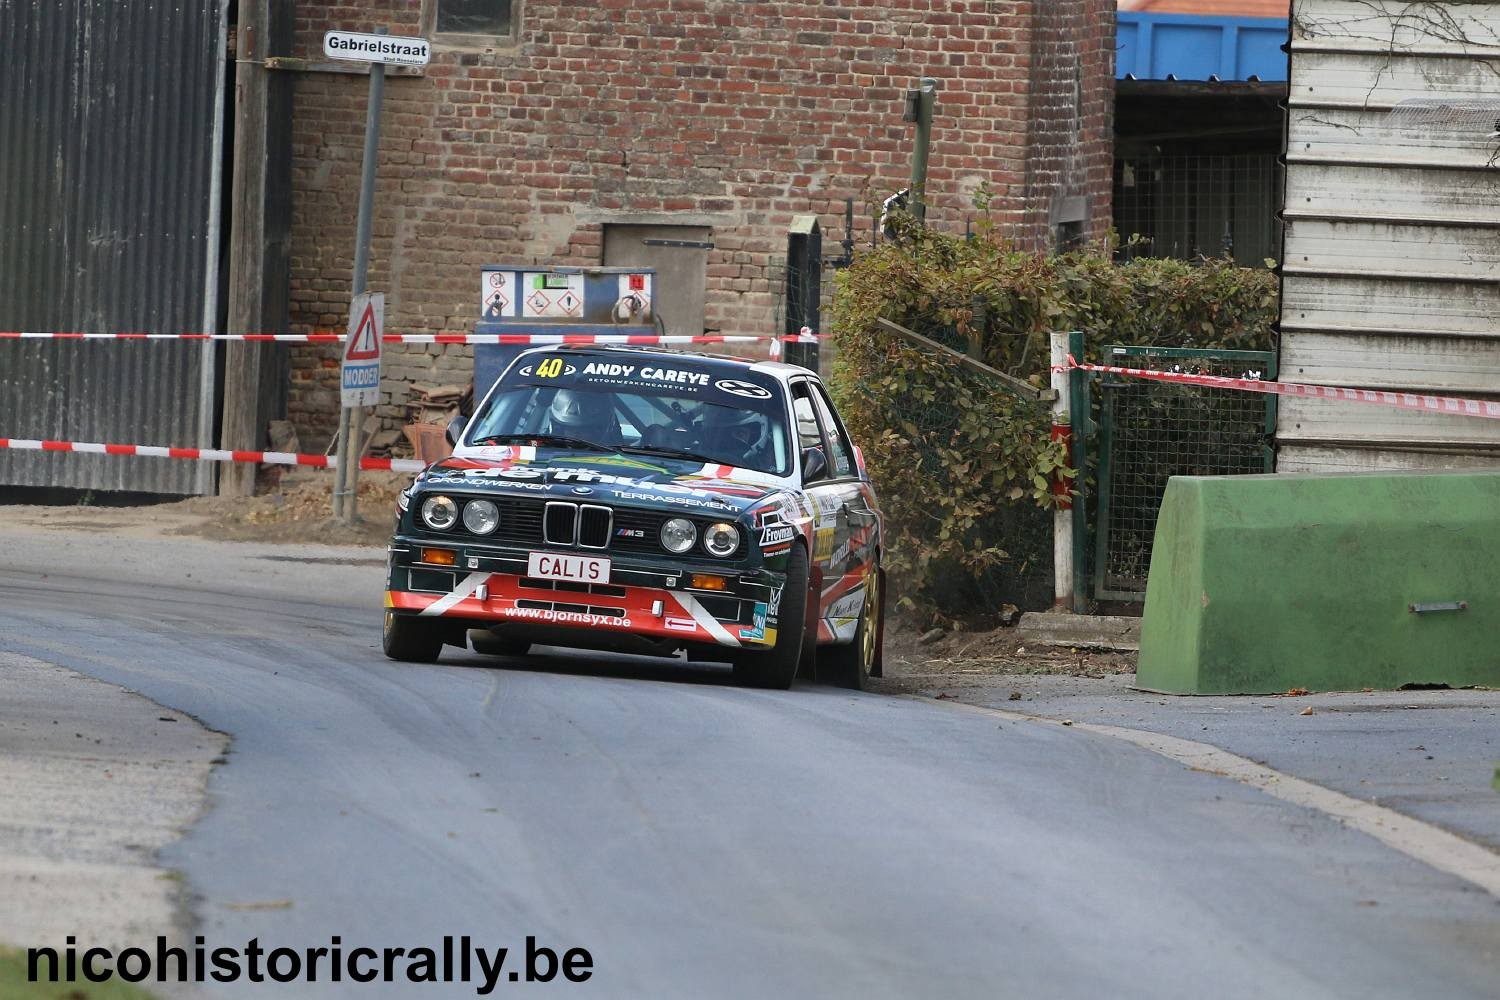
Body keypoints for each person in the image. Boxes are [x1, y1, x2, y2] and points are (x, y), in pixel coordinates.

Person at [545, 388, 618, 444]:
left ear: (597, 431)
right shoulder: (540, 450)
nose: (576, 435)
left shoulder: (617, 457)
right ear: (559, 429)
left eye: (584, 430)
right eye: (570, 429)